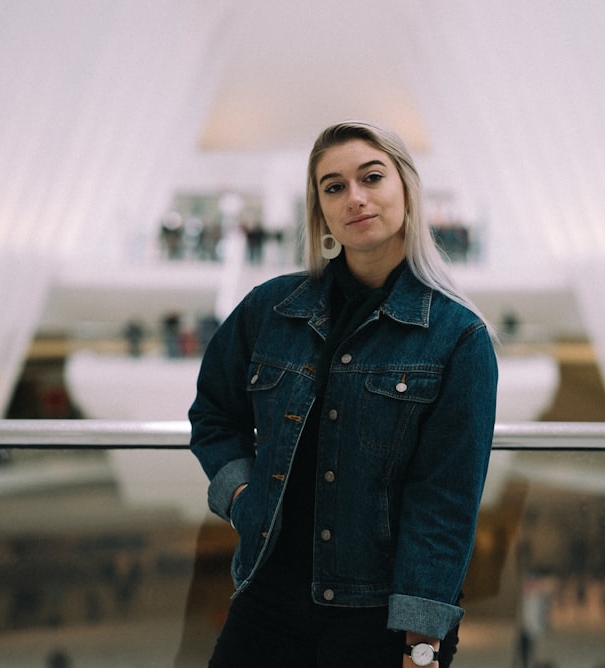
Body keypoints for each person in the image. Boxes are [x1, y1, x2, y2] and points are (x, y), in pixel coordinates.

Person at [189, 120, 498, 667]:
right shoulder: (271, 309)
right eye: (333, 187)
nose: (354, 197)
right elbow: (213, 413)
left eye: (371, 177)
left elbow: (443, 504)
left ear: (405, 188)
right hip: (267, 600)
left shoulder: (459, 338)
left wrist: (421, 645)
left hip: (378, 619)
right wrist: (242, 498)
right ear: (321, 211)